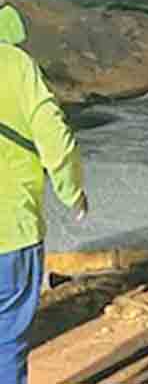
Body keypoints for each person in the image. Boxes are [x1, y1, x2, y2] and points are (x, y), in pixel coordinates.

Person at [1, 42, 88, 384]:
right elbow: (54, 134)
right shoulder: (13, 63)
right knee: (6, 340)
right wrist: (72, 192)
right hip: (11, 230)